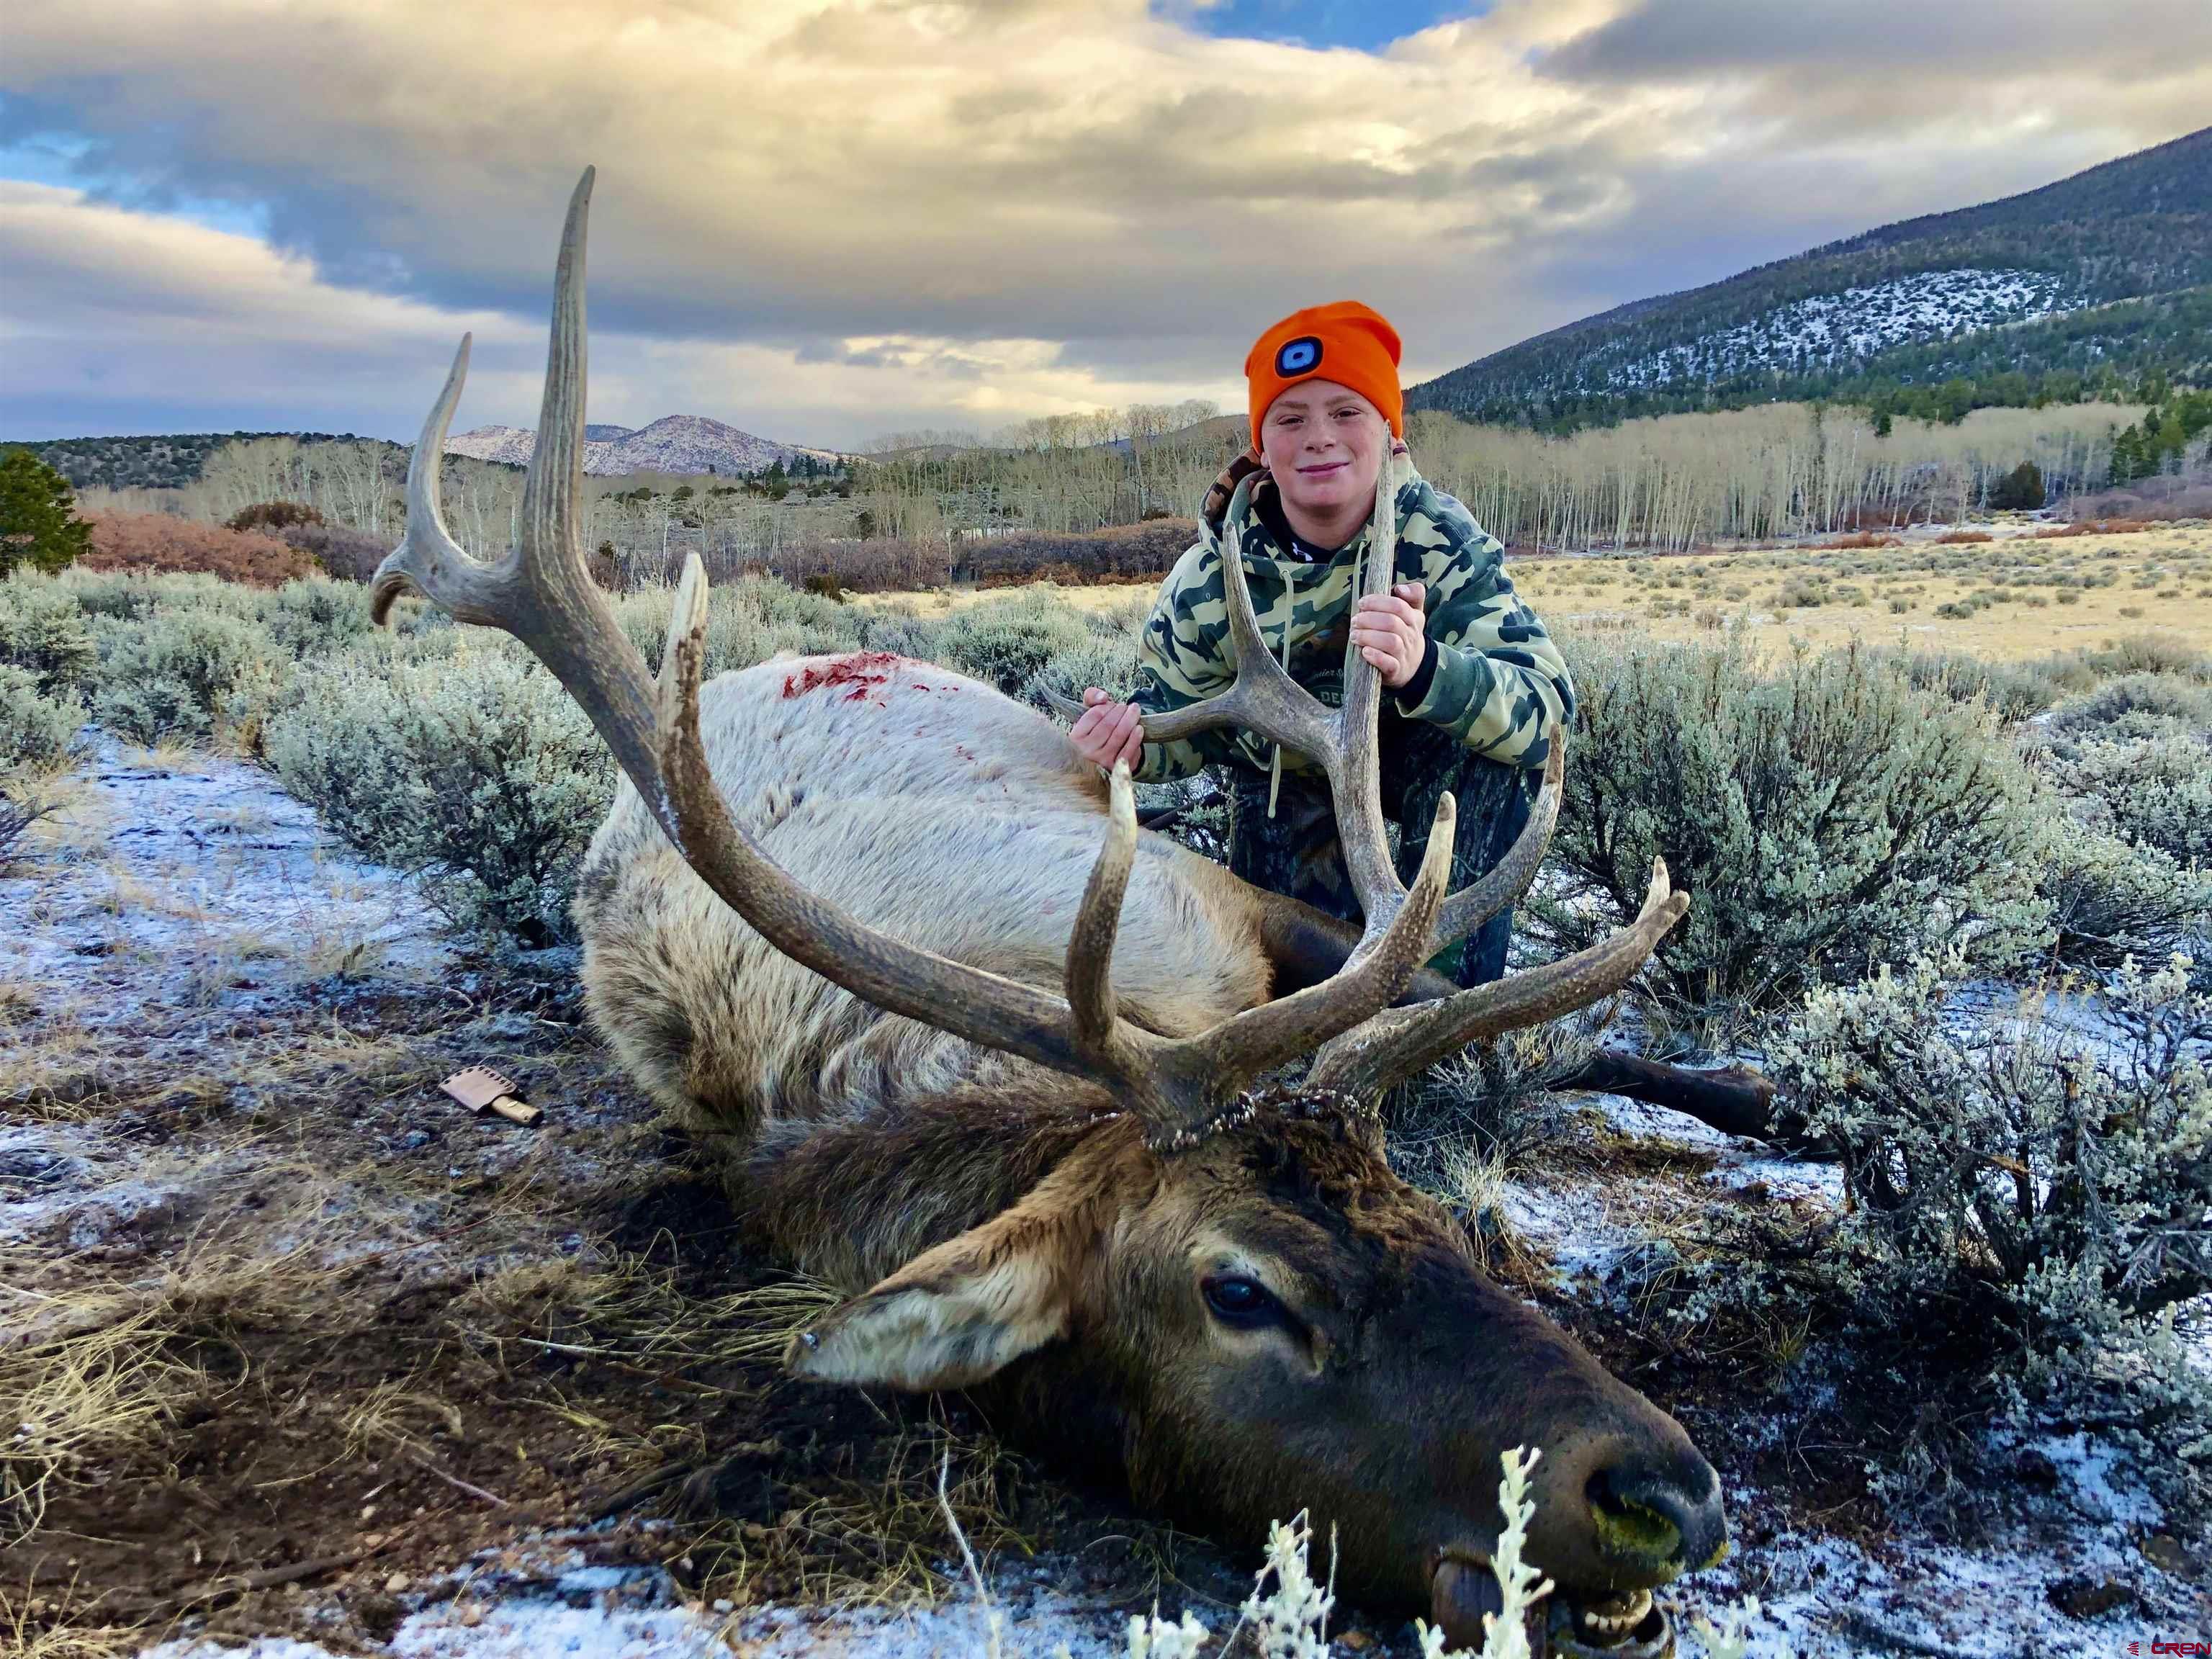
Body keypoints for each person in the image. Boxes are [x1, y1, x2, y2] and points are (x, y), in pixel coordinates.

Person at [1068, 302, 1573, 988]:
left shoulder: (1439, 543)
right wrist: (1131, 741)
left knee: (1494, 766)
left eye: (1346, 412)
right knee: (1300, 1002)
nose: (1318, 439)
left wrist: (1429, 672)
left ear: (1388, 429)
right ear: (1262, 443)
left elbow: (1547, 715)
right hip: (1291, 790)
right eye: (1291, 418)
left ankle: (1450, 1009)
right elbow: (1181, 720)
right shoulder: (1210, 575)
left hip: (1424, 780)